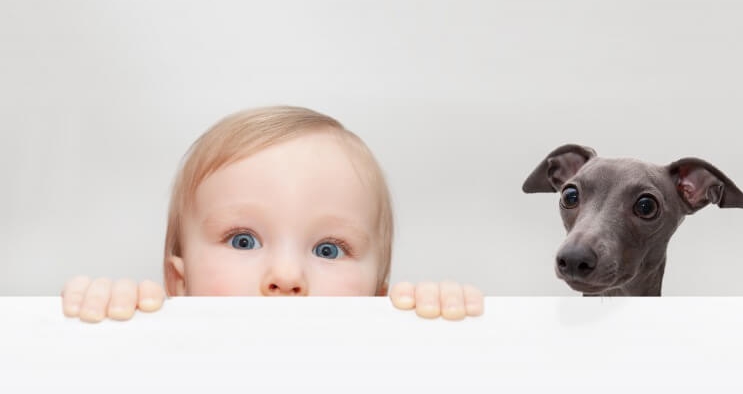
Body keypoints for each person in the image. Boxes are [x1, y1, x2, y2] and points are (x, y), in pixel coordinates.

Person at [61, 106, 483, 322]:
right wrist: (113, 321)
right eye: (243, 240)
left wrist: (435, 328)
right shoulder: (164, 359)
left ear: (377, 295)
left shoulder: (375, 368)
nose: (286, 276)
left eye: (329, 250)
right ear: (179, 282)